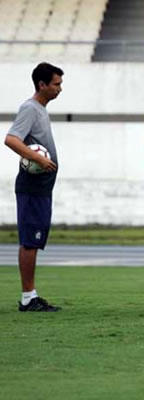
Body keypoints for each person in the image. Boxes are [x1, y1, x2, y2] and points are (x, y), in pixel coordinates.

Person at [4, 62, 63, 312]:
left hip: (41, 189)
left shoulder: (41, 109)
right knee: (30, 241)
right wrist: (37, 158)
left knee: (34, 241)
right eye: (56, 84)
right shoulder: (29, 108)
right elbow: (11, 139)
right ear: (42, 85)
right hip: (31, 187)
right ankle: (28, 297)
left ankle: (31, 295)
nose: (60, 89)